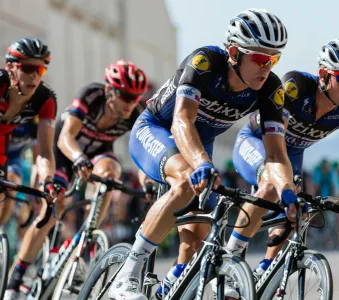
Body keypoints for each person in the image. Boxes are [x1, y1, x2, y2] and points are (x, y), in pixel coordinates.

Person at [109, 8, 298, 300]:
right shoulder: (205, 62)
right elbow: (181, 120)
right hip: (158, 129)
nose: (267, 67)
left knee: (195, 241)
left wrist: (288, 192)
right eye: (260, 58)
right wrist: (202, 164)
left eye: (274, 59)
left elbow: (275, 153)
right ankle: (127, 273)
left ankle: (166, 291)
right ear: (234, 52)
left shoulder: (270, 88)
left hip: (198, 144)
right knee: (185, 181)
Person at [5, 59, 150, 298]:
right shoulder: (91, 95)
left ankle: (88, 234)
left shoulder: (135, 112)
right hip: (64, 152)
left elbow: (142, 153)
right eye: (124, 95)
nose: (130, 103)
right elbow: (65, 138)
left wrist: (148, 182)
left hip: (98, 153)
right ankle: (17, 275)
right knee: (53, 208)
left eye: (135, 97)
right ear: (109, 91)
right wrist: (79, 158)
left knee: (110, 173)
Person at [231, 37, 339, 280]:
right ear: (324, 74)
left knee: (296, 212)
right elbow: (275, 147)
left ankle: (264, 270)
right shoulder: (296, 86)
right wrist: (287, 182)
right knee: (273, 185)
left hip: (292, 155)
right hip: (258, 142)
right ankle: (231, 259)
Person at [0, 37, 61, 297]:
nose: (34, 76)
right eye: (27, 68)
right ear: (12, 68)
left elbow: (44, 152)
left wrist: (48, 180)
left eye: (39, 69)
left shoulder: (45, 99)